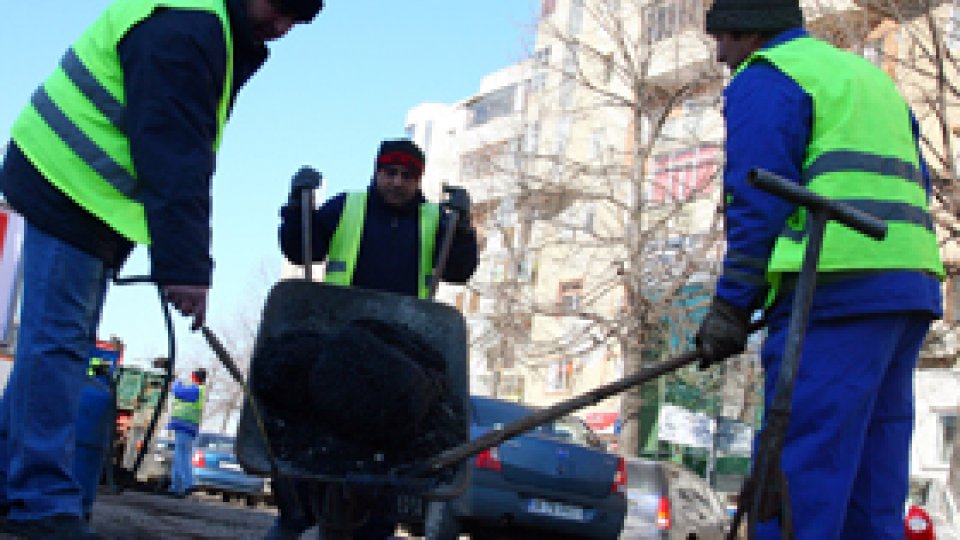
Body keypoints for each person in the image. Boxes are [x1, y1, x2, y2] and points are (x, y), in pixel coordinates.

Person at [0, 0, 322, 536]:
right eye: (280, 6)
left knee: (57, 342)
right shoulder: (189, 27)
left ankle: (18, 483)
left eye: (298, 19)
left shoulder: (209, 23)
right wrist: (186, 267)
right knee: (55, 341)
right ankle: (38, 502)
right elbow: (176, 156)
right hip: (66, 181)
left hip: (86, 193)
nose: (282, 27)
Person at [695, 1, 944, 539]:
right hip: (907, 286)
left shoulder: (769, 77)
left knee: (799, 473)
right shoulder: (866, 76)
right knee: (872, 477)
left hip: (833, 288)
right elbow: (918, 183)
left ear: (750, 31)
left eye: (724, 39)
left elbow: (756, 199)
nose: (720, 55)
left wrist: (732, 305)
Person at [267, 138, 479, 539]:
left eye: (407, 176)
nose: (397, 183)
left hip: (398, 365)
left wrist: (463, 228)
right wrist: (297, 207)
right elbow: (300, 250)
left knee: (380, 486)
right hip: (336, 350)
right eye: (390, 173)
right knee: (310, 473)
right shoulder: (347, 207)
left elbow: (458, 270)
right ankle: (296, 522)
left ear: (419, 181)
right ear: (376, 172)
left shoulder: (435, 221)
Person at [167, 368, 208, 498]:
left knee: (182, 456)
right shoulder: (197, 390)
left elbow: (178, 392)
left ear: (193, 376)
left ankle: (188, 484)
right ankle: (176, 487)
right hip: (186, 427)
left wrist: (176, 382)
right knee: (179, 456)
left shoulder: (196, 389)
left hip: (185, 426)